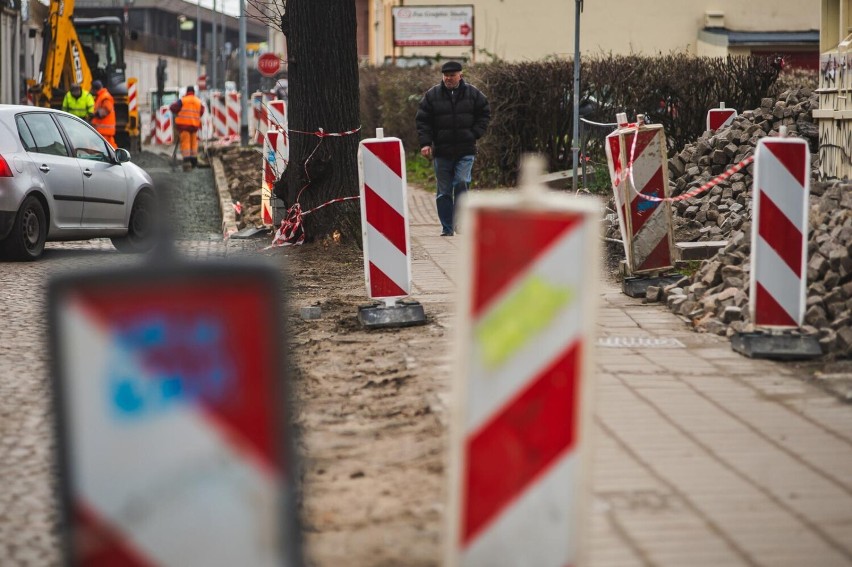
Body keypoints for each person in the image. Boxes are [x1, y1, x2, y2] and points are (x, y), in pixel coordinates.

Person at [415, 60, 491, 236]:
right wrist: (426, 143)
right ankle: (447, 228)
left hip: (466, 150)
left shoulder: (473, 94)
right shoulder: (432, 95)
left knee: (462, 182)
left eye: (452, 75)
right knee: (444, 192)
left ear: (460, 75)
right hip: (442, 151)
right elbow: (422, 121)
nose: (448, 78)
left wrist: (475, 133)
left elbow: (484, 113)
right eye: (446, 75)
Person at [170, 86, 205, 171]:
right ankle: (194, 162)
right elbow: (202, 111)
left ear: (187, 92)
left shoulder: (183, 100)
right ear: (194, 92)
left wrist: (179, 112)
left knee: (186, 143)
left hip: (184, 125)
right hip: (194, 126)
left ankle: (187, 162)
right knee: (194, 143)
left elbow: (172, 107)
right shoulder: (198, 101)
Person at [90, 80, 117, 149]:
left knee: (107, 149)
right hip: (103, 131)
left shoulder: (105, 97)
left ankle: (118, 158)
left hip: (104, 130)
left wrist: (95, 114)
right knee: (109, 149)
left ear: (95, 89)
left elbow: (106, 109)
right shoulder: (101, 96)